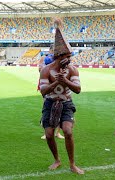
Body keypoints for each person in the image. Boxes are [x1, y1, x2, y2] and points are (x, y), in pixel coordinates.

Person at [39, 18, 84, 174]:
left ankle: (72, 164)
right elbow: (43, 91)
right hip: (50, 103)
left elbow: (78, 89)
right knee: (49, 134)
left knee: (68, 131)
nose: (69, 59)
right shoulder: (46, 70)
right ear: (59, 56)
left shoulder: (72, 70)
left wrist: (64, 80)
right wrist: (55, 83)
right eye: (66, 55)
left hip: (66, 103)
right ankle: (57, 159)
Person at [38, 44, 64, 140]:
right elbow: (40, 69)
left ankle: (57, 132)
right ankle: (46, 133)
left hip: (59, 85)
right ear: (50, 50)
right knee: (47, 108)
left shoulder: (61, 59)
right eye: (53, 50)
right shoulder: (44, 58)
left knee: (60, 108)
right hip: (47, 85)